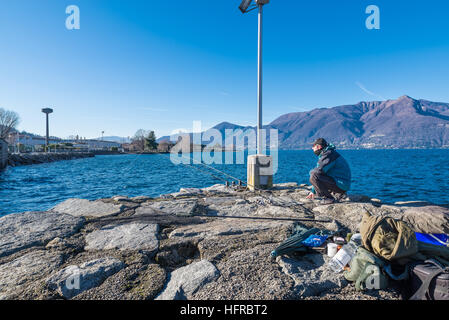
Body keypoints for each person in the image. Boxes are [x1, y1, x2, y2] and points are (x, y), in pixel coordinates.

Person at [306, 138, 351, 204]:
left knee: (313, 175)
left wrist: (314, 187)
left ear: (319, 146)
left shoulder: (328, 155)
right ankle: (338, 193)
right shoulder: (329, 153)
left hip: (340, 185)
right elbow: (321, 172)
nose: (312, 148)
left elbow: (317, 173)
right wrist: (313, 191)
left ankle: (328, 198)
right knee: (316, 174)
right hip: (342, 184)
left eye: (313, 146)